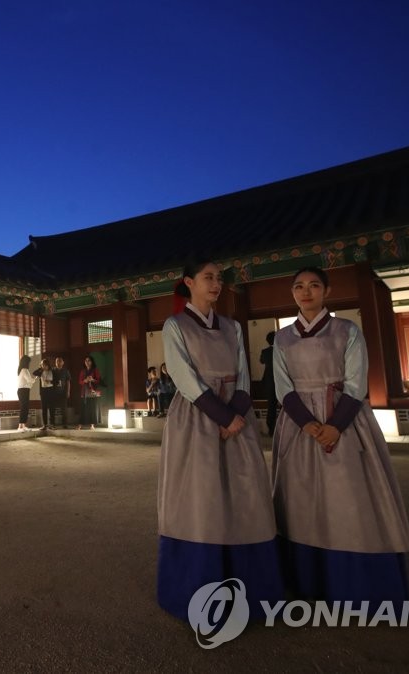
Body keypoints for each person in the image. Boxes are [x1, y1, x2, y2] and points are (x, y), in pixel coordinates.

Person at [271, 266, 409, 611]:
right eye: (299, 286)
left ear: (327, 291)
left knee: (348, 499)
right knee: (301, 500)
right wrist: (307, 424)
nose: (306, 292)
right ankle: (307, 578)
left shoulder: (346, 330)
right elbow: (283, 387)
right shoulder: (283, 338)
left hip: (344, 420)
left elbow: (356, 382)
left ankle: (357, 584)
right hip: (299, 426)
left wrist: (335, 425)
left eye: (314, 285)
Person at [157, 258, 283, 621]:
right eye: (208, 277)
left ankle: (250, 585)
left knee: (245, 494)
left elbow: (243, 373)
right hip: (197, 415)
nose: (216, 284)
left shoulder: (232, 326)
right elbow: (182, 374)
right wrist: (223, 416)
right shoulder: (175, 325)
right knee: (200, 496)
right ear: (189, 282)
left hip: (236, 418)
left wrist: (237, 412)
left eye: (220, 278)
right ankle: (198, 585)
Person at [260, 331, 278, 436]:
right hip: (280, 380)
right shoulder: (280, 350)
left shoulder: (265, 351)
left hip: (269, 381)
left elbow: (261, 361)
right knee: (285, 405)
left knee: (271, 406)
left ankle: (271, 430)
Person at [76, 355, 101, 430]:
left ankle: (92, 425)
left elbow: (99, 381)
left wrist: (92, 379)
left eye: (89, 360)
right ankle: (80, 424)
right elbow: (80, 381)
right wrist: (85, 380)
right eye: (86, 361)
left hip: (93, 391)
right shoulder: (83, 371)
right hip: (84, 391)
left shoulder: (95, 370)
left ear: (92, 362)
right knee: (83, 408)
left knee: (92, 408)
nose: (87, 362)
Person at [32, 358, 55, 429]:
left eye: (44, 365)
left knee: (51, 408)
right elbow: (34, 373)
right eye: (42, 365)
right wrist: (41, 369)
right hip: (43, 391)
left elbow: (57, 381)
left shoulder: (52, 371)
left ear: (47, 365)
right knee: (44, 408)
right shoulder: (41, 371)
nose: (43, 366)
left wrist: (50, 381)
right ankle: (45, 425)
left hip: (51, 390)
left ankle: (52, 424)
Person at [16, 355, 35, 431]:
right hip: (24, 390)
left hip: (22, 390)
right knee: (24, 408)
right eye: (29, 362)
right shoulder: (25, 370)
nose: (29, 363)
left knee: (24, 408)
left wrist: (32, 380)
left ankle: (22, 426)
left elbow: (28, 381)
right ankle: (21, 426)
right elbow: (30, 380)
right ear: (26, 362)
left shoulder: (21, 370)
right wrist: (35, 377)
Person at [52, 356, 71, 428]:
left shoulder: (66, 371)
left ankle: (65, 424)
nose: (58, 363)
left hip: (63, 392)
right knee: (52, 408)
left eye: (60, 361)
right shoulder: (53, 370)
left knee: (64, 409)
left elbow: (68, 382)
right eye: (57, 361)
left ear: (63, 363)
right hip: (54, 392)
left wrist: (68, 391)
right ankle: (52, 424)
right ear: (55, 363)